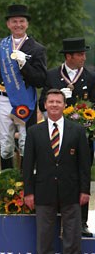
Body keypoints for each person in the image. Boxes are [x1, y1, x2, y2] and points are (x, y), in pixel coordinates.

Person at [23, 89, 91, 254]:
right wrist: (28, 192)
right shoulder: (34, 132)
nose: (54, 105)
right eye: (50, 101)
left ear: (64, 105)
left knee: (72, 235)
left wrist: (85, 190)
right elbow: (27, 165)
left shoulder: (77, 130)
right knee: (44, 236)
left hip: (72, 192)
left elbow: (84, 164)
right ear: (45, 104)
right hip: (43, 191)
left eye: (58, 102)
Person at [39, 37, 95, 237]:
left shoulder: (90, 77)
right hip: (57, 135)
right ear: (69, 56)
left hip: (82, 136)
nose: (83, 57)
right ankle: (56, 219)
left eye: (84, 54)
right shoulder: (52, 75)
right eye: (80, 54)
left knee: (82, 175)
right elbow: (40, 105)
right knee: (55, 175)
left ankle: (82, 221)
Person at [0, 4, 47, 170]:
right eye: (14, 21)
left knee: (25, 141)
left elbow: (40, 80)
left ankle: (26, 183)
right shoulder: (0, 45)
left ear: (27, 24)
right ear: (8, 24)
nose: (18, 24)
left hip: (24, 99)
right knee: (5, 143)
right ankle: (7, 183)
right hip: (3, 98)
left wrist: (24, 65)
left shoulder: (37, 48)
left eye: (21, 21)